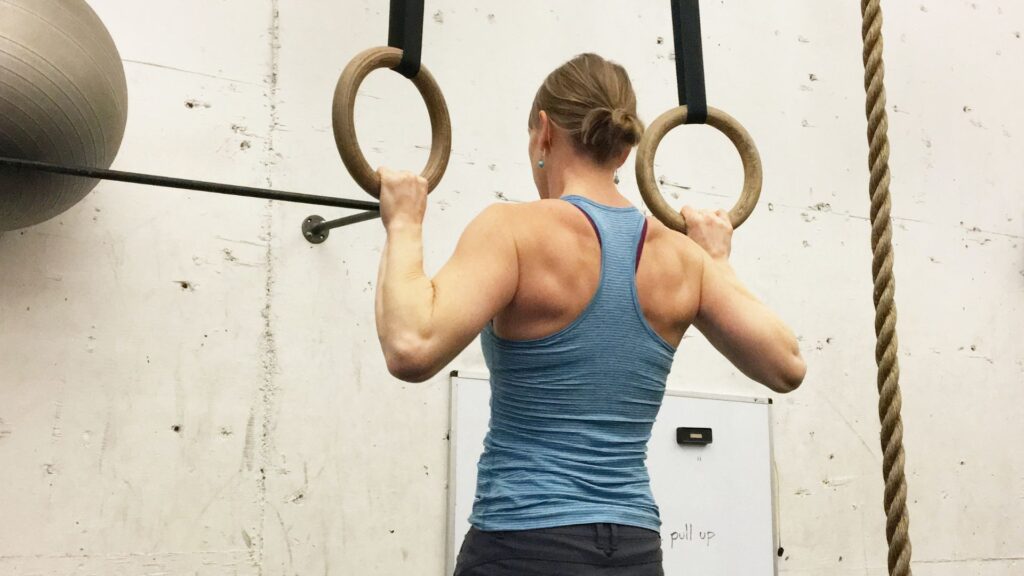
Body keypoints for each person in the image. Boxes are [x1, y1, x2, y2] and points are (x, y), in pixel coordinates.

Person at [373, 53, 806, 576]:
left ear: (544, 131)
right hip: (633, 552)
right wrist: (715, 261)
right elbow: (787, 365)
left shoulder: (512, 230)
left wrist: (404, 224)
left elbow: (410, 347)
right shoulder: (681, 258)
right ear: (626, 150)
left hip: (523, 543)